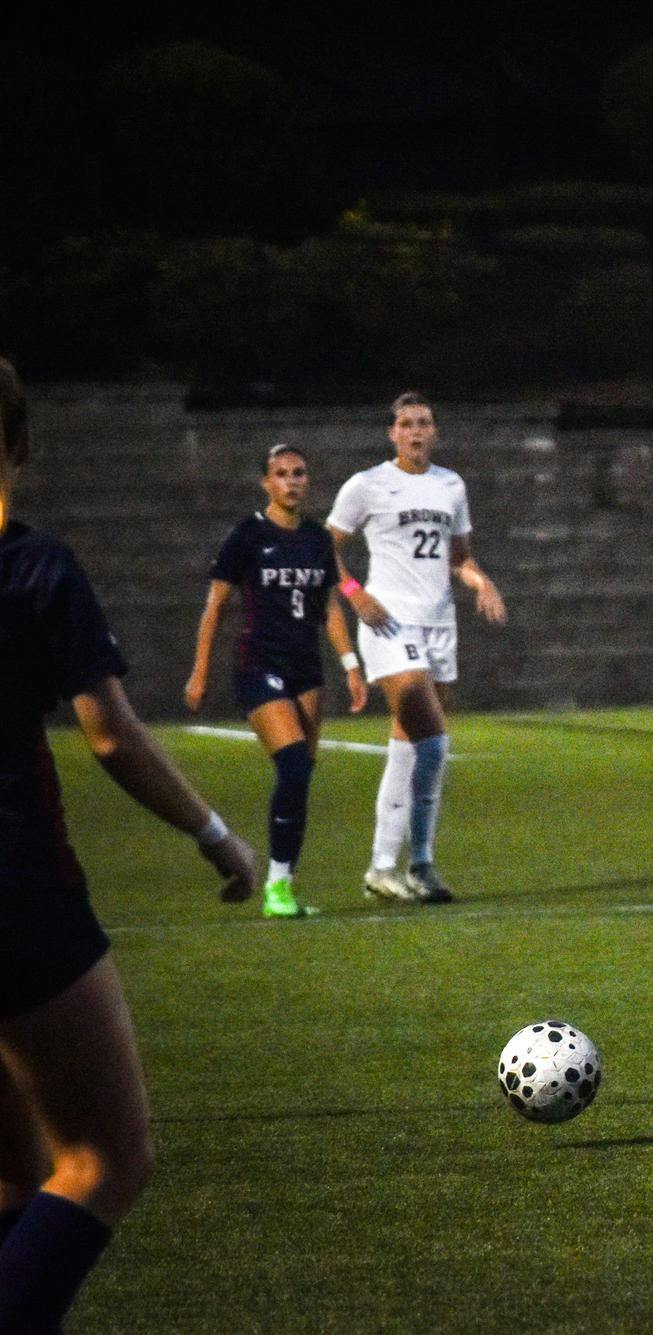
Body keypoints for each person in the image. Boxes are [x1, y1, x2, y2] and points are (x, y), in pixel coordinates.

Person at [0, 357, 259, 1330]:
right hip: (18, 893)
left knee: (16, 1173)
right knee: (108, 1157)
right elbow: (108, 732)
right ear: (22, 446)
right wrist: (216, 835)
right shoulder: (33, 568)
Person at [327, 392, 506, 905]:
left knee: (409, 750)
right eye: (407, 424)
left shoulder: (451, 485)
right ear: (393, 433)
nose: (416, 432)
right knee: (433, 741)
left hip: (438, 625)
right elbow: (324, 545)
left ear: (435, 430)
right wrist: (355, 594)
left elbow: (459, 556)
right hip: (389, 625)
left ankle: (384, 867)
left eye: (424, 423)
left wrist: (479, 580)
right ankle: (422, 862)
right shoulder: (368, 485)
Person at [185, 444, 367, 918]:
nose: (292, 481)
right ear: (267, 483)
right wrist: (200, 671)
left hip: (307, 669)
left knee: (300, 777)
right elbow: (216, 607)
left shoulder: (317, 538)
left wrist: (349, 663)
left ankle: (282, 884)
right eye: (282, 474)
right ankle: (273, 887)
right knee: (291, 767)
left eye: (299, 473)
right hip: (259, 665)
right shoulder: (247, 535)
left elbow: (328, 605)